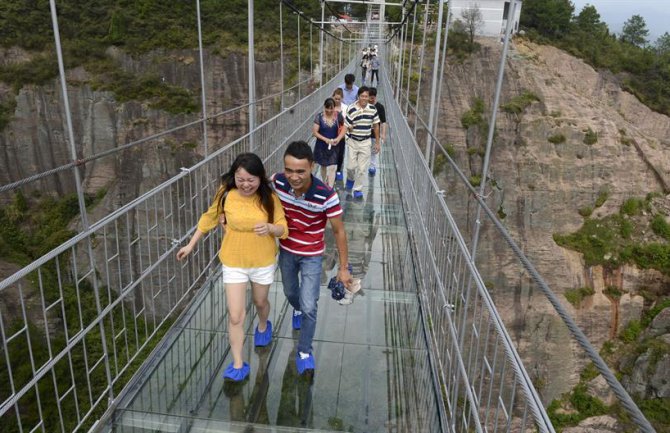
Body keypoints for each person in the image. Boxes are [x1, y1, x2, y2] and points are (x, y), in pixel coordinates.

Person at [177, 153, 288, 382]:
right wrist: (190, 244)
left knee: (260, 302)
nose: (246, 184)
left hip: (262, 259)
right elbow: (210, 217)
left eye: (251, 180)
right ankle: (238, 362)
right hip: (233, 260)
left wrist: (270, 228)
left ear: (260, 178)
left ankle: (263, 324)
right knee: (236, 315)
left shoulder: (270, 198)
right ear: (234, 177)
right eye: (241, 179)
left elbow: (282, 227)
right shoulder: (226, 194)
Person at [272, 141, 353, 374]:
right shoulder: (278, 182)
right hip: (287, 250)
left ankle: (305, 350)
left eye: (300, 171)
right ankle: (297, 308)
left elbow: (339, 231)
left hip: (311, 255)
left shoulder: (326, 195)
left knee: (309, 305)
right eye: (289, 170)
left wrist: (343, 268)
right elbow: (253, 185)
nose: (293, 177)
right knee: (290, 293)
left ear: (312, 167)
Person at [344, 87, 380, 199]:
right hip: (353, 141)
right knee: (350, 167)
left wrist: (378, 142)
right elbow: (346, 125)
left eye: (366, 96)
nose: (364, 98)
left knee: (361, 169)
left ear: (369, 97)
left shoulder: (373, 109)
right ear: (358, 96)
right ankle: (350, 178)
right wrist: (347, 130)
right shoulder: (351, 108)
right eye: (362, 96)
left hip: (365, 142)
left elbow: (376, 126)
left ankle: (357, 189)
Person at [312, 98, 346, 187]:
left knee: (332, 167)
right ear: (324, 107)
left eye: (332, 108)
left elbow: (344, 128)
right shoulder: (319, 117)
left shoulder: (338, 116)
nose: (329, 110)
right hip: (322, 145)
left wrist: (338, 138)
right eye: (328, 108)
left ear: (335, 108)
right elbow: (315, 132)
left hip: (334, 145)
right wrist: (325, 139)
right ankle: (324, 182)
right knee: (323, 166)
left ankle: (330, 188)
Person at [367, 87, 386, 176]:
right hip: (364, 132)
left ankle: (372, 166)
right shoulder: (364, 105)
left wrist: (383, 134)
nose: (370, 100)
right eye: (369, 97)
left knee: (374, 150)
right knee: (364, 149)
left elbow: (383, 122)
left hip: (375, 133)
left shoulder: (380, 107)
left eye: (372, 98)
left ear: (375, 97)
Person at [332, 88, 348, 182]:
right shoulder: (329, 106)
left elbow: (347, 121)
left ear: (342, 98)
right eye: (335, 98)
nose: (337, 100)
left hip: (341, 134)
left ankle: (339, 170)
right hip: (330, 133)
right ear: (333, 97)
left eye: (339, 99)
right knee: (331, 152)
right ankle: (332, 169)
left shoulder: (345, 108)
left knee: (340, 152)